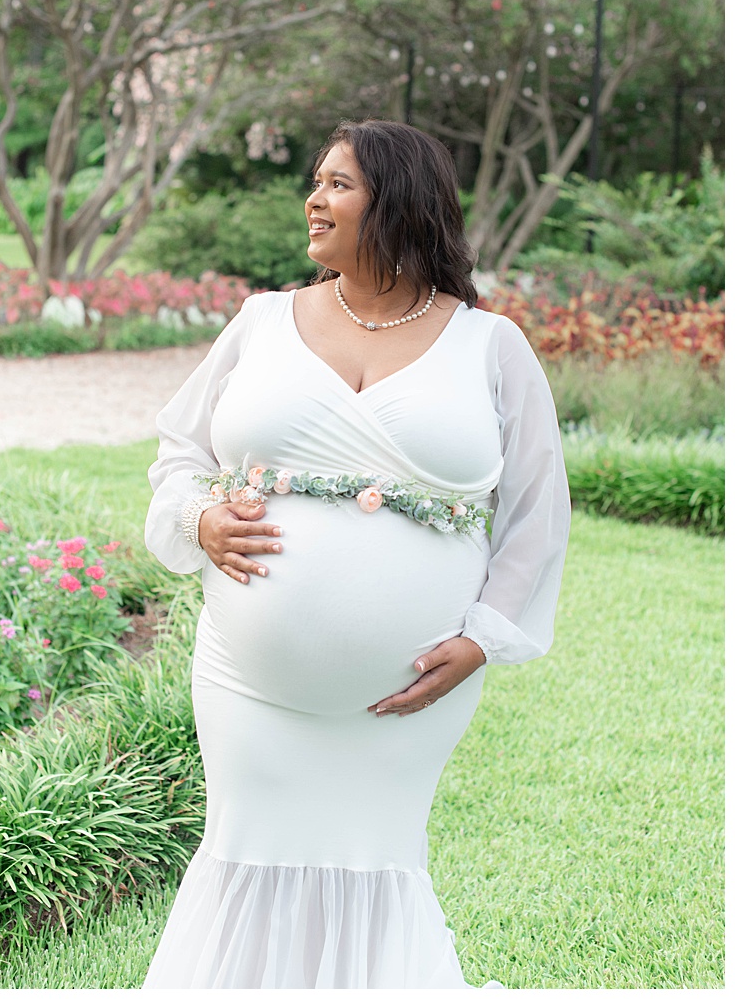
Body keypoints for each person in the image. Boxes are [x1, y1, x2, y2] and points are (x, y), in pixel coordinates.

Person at [141, 119, 570, 988]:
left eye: (338, 183)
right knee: (243, 852)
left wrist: (483, 638)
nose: (314, 197)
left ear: (400, 201)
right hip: (246, 684)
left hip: (406, 701)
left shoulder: (491, 346)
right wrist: (199, 520)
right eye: (317, 181)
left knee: (381, 860)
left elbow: (536, 513)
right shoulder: (263, 321)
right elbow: (177, 454)